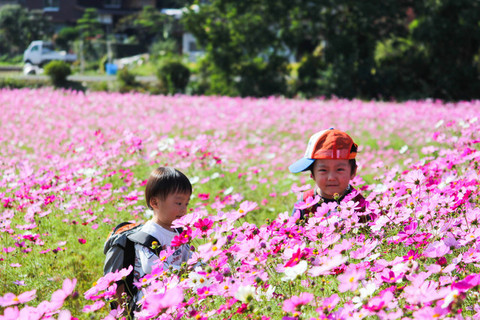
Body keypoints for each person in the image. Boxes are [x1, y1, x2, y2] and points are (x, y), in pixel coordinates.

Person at [132, 166, 192, 304]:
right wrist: (185, 271)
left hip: (173, 293)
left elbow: (187, 256)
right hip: (151, 301)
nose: (184, 209)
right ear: (155, 203)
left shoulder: (178, 230)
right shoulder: (148, 235)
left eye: (186, 203)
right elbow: (151, 268)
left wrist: (203, 265)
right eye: (178, 203)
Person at [289, 128, 369, 221]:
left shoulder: (358, 202)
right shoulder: (305, 202)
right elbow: (293, 231)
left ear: (353, 172)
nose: (331, 178)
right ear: (312, 175)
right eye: (323, 170)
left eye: (339, 169)